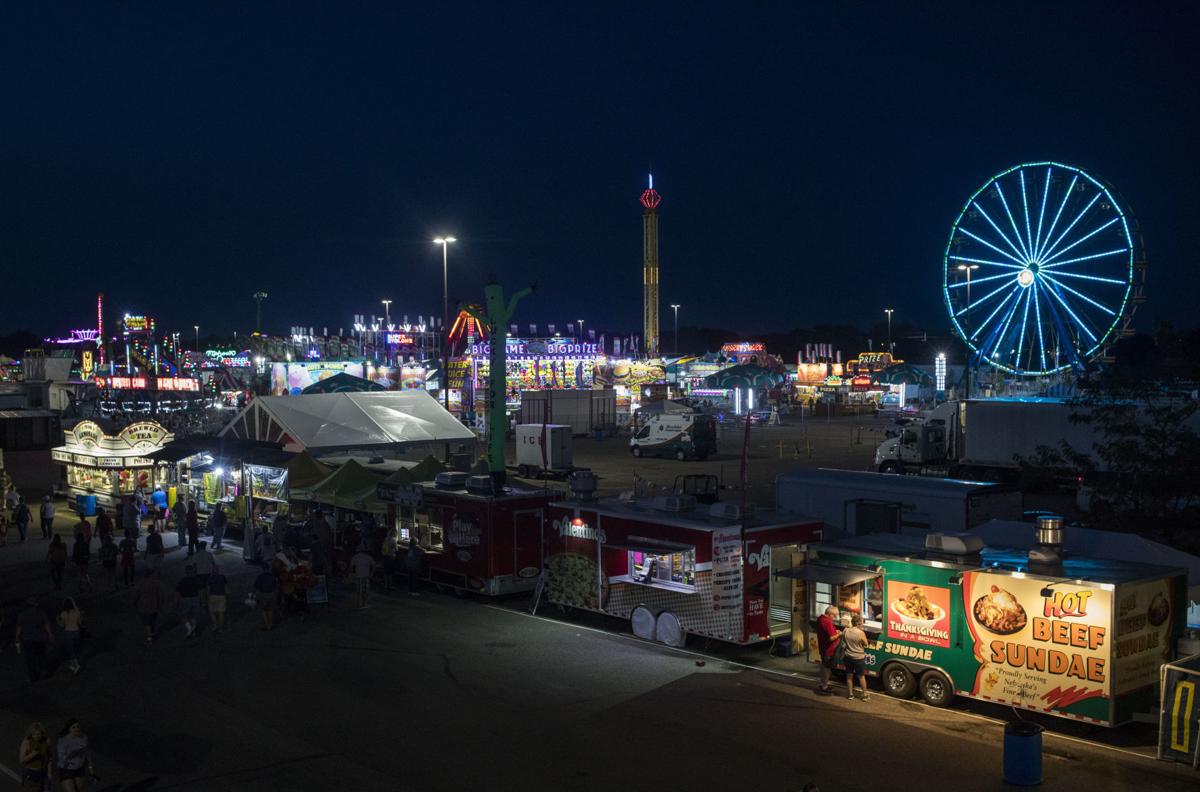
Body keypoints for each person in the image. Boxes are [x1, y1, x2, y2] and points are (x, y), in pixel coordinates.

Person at [15, 598, 53, 681]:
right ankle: (42, 673)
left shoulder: (22, 614)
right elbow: (46, 624)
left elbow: (19, 627)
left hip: (27, 639)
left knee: (30, 658)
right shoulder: (41, 613)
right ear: (35, 604)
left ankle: (32, 676)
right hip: (40, 639)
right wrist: (50, 634)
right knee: (41, 656)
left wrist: (17, 637)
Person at [54, 719, 94, 791]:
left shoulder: (83, 738)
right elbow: (61, 757)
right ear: (69, 729)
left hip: (80, 769)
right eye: (73, 727)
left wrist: (90, 767)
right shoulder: (63, 740)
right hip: (66, 770)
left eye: (78, 726)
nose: (77, 729)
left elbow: (87, 752)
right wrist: (72, 754)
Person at [133, 570, 168, 644]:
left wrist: (134, 603)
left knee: (146, 622)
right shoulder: (156, 583)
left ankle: (149, 637)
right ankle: (151, 633)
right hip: (154, 605)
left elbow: (136, 594)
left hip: (143, 605)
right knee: (152, 620)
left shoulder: (141, 583)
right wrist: (161, 604)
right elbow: (161, 595)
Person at [815, 605, 842, 695]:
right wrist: (839, 634)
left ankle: (824, 684)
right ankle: (824, 687)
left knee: (824, 667)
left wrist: (835, 632)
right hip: (829, 650)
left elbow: (828, 633)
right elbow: (831, 638)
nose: (835, 618)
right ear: (830, 614)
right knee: (827, 668)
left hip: (823, 648)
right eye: (834, 615)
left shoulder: (821, 618)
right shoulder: (827, 622)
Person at [843, 613, 870, 701]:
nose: (862, 624)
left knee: (849, 676)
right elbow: (866, 644)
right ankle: (865, 695)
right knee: (861, 676)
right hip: (858, 658)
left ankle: (850, 695)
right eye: (862, 622)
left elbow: (844, 640)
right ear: (859, 623)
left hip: (848, 656)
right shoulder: (861, 633)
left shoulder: (846, 630)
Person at [18, 721, 51, 792]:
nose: (36, 736)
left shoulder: (46, 741)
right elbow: (21, 760)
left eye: (38, 734)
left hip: (42, 772)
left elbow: (49, 758)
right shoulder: (26, 742)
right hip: (30, 772)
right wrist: (32, 754)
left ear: (42, 733)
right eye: (33, 734)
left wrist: (49, 773)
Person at [57, 598, 84, 674]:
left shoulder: (64, 613)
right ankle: (74, 665)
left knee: (70, 650)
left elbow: (62, 625)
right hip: (76, 631)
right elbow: (80, 622)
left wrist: (57, 620)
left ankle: (75, 666)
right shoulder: (77, 612)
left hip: (68, 632)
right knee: (75, 649)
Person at [175, 565, 201, 638]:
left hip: (185, 599)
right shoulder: (196, 580)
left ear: (186, 571)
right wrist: (202, 600)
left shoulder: (182, 580)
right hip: (195, 598)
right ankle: (193, 629)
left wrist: (176, 602)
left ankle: (189, 628)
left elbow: (178, 592)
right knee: (193, 615)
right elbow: (201, 590)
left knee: (184, 615)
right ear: (192, 571)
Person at [253, 565, 277, 630]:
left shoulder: (260, 577)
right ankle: (270, 625)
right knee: (270, 610)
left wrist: (253, 595)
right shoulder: (272, 576)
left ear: (263, 569)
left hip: (263, 595)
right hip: (271, 594)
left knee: (264, 611)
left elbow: (256, 586)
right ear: (268, 569)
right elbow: (276, 586)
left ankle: (267, 625)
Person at [193, 541, 215, 609]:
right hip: (208, 573)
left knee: (201, 589)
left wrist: (194, 572)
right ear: (205, 546)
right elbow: (213, 563)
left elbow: (194, 564)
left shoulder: (196, 555)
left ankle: (203, 602)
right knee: (208, 588)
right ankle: (209, 601)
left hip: (199, 573)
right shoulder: (209, 554)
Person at [207, 565, 228, 632]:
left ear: (212, 570)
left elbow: (208, 589)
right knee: (221, 613)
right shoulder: (222, 577)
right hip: (222, 596)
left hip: (213, 596)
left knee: (212, 611)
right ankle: (220, 627)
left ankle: (215, 625)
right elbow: (226, 587)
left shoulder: (210, 578)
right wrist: (227, 595)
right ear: (218, 570)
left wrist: (208, 597)